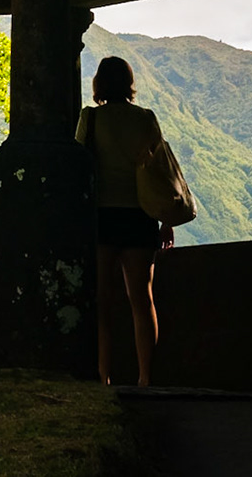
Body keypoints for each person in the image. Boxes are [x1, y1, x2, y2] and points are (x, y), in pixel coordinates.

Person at [76, 54, 173, 386]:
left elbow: (78, 165)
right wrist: (167, 220)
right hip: (140, 216)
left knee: (102, 303)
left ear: (99, 84)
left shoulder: (90, 119)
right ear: (130, 83)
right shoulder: (145, 118)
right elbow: (162, 172)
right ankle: (147, 379)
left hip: (101, 216)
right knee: (142, 300)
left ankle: (103, 377)